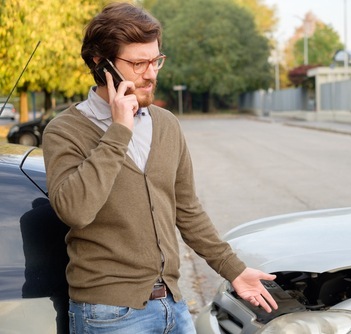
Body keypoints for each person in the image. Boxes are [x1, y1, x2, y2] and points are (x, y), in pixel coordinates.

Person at [42, 2, 278, 333]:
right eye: (138, 63)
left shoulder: (166, 124)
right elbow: (75, 210)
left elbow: (188, 210)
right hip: (109, 315)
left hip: (173, 306)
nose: (151, 73)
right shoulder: (64, 130)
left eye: (156, 61)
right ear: (101, 63)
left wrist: (233, 270)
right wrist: (119, 131)